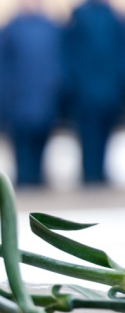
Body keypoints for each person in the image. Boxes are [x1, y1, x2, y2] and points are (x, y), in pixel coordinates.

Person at [63, 0, 125, 184]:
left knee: (102, 134)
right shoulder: (80, 17)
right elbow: (71, 55)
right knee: (89, 136)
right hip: (89, 92)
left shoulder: (113, 18)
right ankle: (91, 174)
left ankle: (97, 173)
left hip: (105, 91)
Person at [1, 0, 63, 187]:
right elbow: (3, 66)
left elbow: (58, 63)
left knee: (40, 151)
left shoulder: (51, 28)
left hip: (44, 102)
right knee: (22, 155)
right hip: (19, 103)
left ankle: (37, 185)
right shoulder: (11, 29)